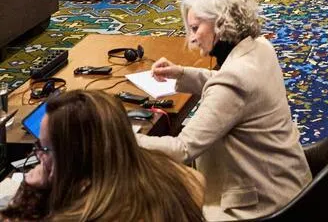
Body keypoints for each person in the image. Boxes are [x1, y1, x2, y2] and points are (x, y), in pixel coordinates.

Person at [140, 0, 311, 219]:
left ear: (221, 24)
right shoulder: (260, 46)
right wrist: (181, 73)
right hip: (286, 182)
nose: (192, 38)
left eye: (195, 28)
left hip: (260, 204)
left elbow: (182, 149)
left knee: (151, 196)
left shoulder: (233, 81)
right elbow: (233, 86)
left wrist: (122, 135)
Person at [0, 88, 202, 222]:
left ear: (75, 159)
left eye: (44, 149)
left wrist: (30, 192)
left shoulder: (84, 215)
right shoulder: (168, 171)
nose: (38, 157)